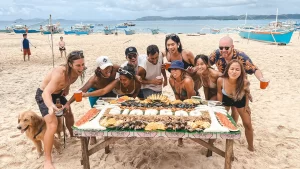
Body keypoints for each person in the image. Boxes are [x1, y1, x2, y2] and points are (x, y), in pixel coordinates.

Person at [35, 50, 85, 169]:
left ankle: (72, 134)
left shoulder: (78, 71)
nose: (81, 68)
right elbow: (46, 93)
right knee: (52, 125)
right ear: (70, 64)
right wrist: (51, 106)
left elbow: (69, 80)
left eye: (83, 64)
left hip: (58, 94)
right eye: (78, 65)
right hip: (44, 95)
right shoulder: (60, 73)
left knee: (69, 113)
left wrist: (66, 88)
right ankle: (47, 160)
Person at [217, 60, 254, 151]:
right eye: (232, 69)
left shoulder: (244, 82)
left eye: (237, 69)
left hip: (239, 99)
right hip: (226, 98)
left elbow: (247, 93)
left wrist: (247, 106)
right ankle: (211, 143)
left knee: (247, 124)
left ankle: (250, 146)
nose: (234, 72)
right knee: (218, 121)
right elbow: (219, 93)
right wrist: (219, 106)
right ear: (227, 70)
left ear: (241, 72)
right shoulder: (221, 80)